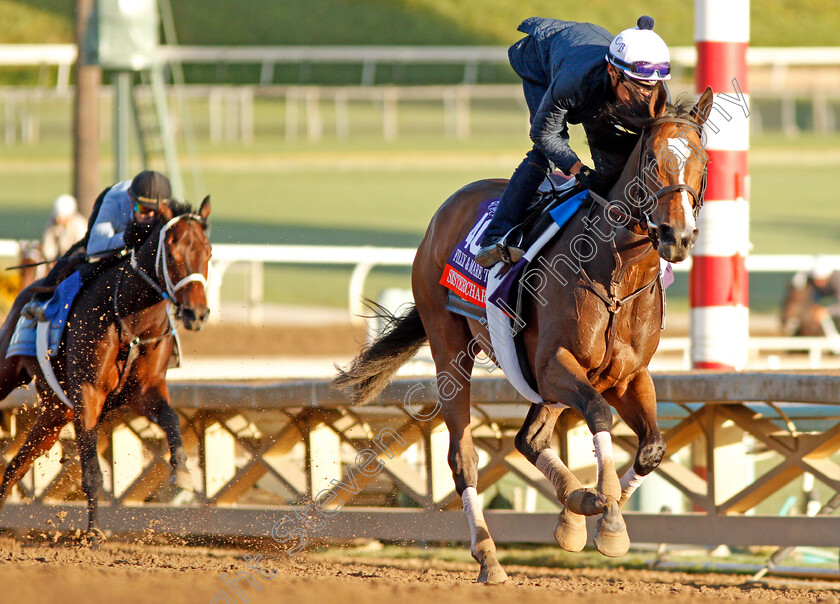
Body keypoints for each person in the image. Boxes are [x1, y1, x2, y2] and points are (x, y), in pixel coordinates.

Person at [474, 15, 672, 268]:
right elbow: (544, 134)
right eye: (637, 87)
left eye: (652, 88)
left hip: (587, 58)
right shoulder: (575, 83)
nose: (645, 97)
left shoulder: (648, 88)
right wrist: (577, 169)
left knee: (611, 155)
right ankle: (495, 237)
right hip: (542, 60)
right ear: (613, 72)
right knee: (544, 154)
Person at [21, 170, 172, 320]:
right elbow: (95, 249)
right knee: (84, 258)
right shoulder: (115, 202)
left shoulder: (167, 210)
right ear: (131, 201)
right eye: (144, 209)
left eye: (156, 211)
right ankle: (41, 301)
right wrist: (126, 238)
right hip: (107, 225)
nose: (150, 217)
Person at [41, 194, 88, 264]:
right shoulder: (51, 224)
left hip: (75, 261)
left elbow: (80, 246)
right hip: (59, 260)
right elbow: (49, 244)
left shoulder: (79, 225)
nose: (58, 219)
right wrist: (51, 259)